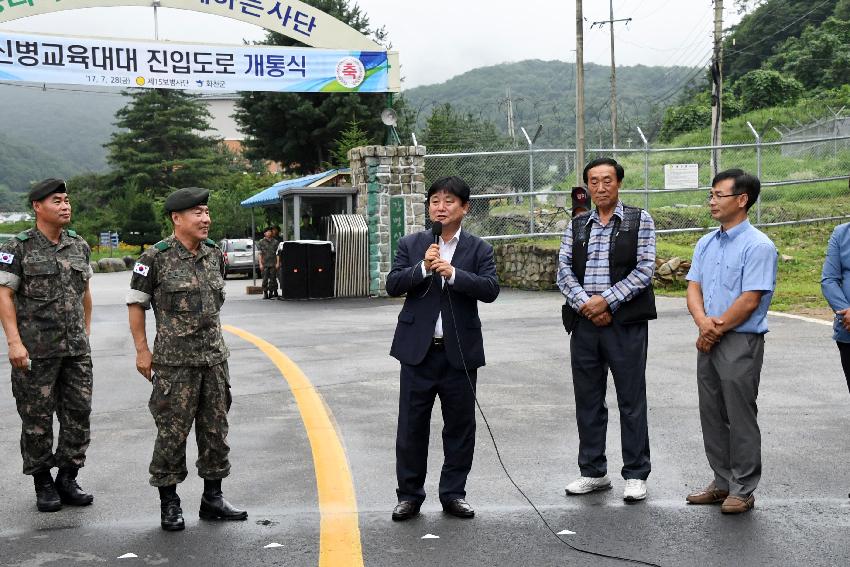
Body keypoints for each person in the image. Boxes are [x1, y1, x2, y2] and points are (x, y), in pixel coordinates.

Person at [126, 187, 247, 531]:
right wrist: (142, 350)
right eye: (197, 213)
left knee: (215, 433)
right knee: (171, 434)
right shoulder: (155, 257)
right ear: (177, 218)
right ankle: (170, 503)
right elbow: (136, 304)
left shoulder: (213, 254)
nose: (206, 219)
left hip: (213, 361)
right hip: (174, 365)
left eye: (207, 212)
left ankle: (213, 498)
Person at [386, 176, 499, 521]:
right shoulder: (412, 243)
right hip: (417, 352)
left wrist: (453, 274)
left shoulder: (479, 249)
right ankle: (409, 495)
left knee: (460, 427)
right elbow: (393, 284)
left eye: (449, 201)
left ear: (464, 207)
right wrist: (422, 267)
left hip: (459, 353)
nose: (440, 207)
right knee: (411, 427)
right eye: (435, 200)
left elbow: (490, 289)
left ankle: (453, 494)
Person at [557, 157, 657, 502]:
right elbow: (564, 270)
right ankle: (593, 471)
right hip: (585, 324)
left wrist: (607, 301)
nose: (600, 188)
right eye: (594, 182)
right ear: (587, 186)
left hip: (624, 323)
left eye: (607, 181)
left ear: (619, 183)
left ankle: (636, 474)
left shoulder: (638, 220)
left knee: (631, 399)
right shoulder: (577, 224)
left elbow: (645, 270)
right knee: (588, 399)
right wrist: (587, 303)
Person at [685, 170, 777, 514]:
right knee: (711, 412)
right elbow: (693, 286)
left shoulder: (759, 246)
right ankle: (721, 482)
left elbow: (750, 299)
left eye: (718, 195)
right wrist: (702, 323)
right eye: (710, 195)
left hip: (739, 340)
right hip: (708, 337)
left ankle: (743, 488)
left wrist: (714, 328)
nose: (711, 201)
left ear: (742, 200)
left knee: (739, 414)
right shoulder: (706, 242)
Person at [0, 178, 95, 512]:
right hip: (36, 352)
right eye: (57, 201)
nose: (65, 205)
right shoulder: (18, 247)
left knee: (78, 415)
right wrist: (14, 342)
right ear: (38, 207)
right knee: (37, 419)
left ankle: (68, 477)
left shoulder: (79, 245)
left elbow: (85, 294)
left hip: (76, 352)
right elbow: (5, 295)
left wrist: (84, 333)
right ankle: (43, 481)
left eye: (67, 200)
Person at [257, 227, 279, 299]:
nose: (269, 233)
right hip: (265, 264)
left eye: (270, 231)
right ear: (264, 233)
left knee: (273, 279)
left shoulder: (275, 242)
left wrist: (278, 263)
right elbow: (260, 254)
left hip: (273, 263)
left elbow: (277, 254)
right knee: (265, 279)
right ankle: (265, 293)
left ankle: (271, 292)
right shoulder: (261, 242)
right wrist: (260, 264)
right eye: (267, 231)